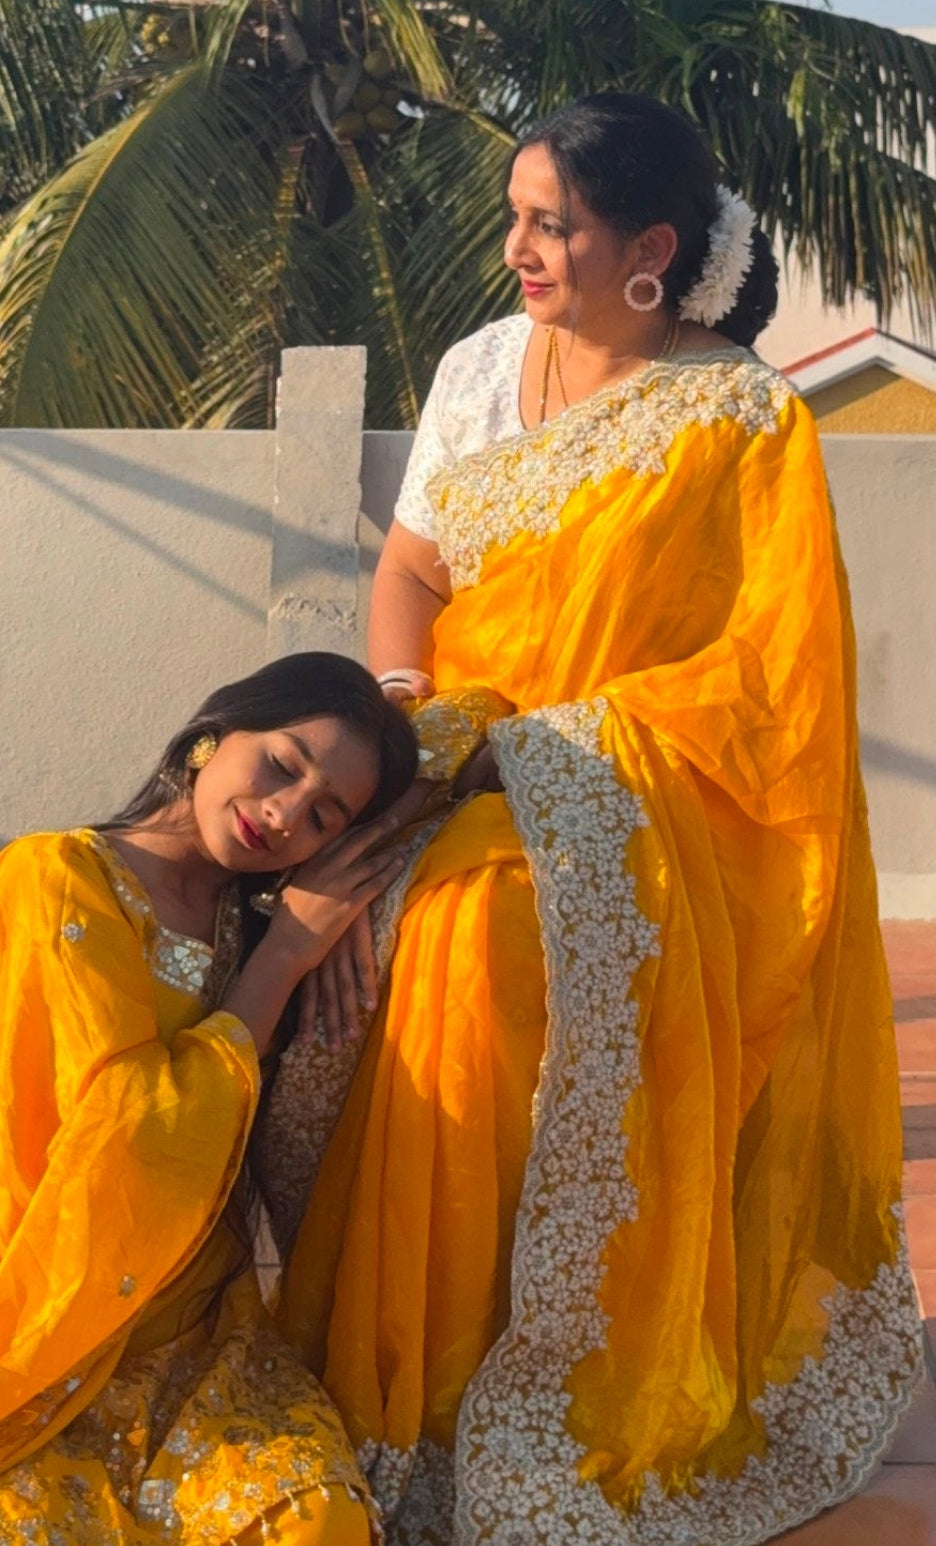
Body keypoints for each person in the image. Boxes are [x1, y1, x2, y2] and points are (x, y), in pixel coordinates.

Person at [264, 95, 925, 1545]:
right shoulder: (483, 369)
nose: (519, 248)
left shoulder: (742, 418)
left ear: (651, 250)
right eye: (520, 216)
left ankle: (473, 1374)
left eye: (550, 224)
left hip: (624, 800)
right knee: (317, 905)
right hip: (436, 743)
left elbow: (767, 687)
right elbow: (415, 575)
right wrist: (400, 715)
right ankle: (359, 1343)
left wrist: (545, 752)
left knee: (472, 930)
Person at [0, 652, 419, 1546]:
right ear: (212, 735)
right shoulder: (60, 879)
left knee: (320, 1523)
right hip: (25, 1322)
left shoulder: (252, 914)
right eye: (280, 764)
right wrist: (284, 963)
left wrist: (328, 922)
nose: (282, 813)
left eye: (325, 817)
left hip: (187, 1330)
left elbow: (433, 796)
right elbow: (129, 1141)